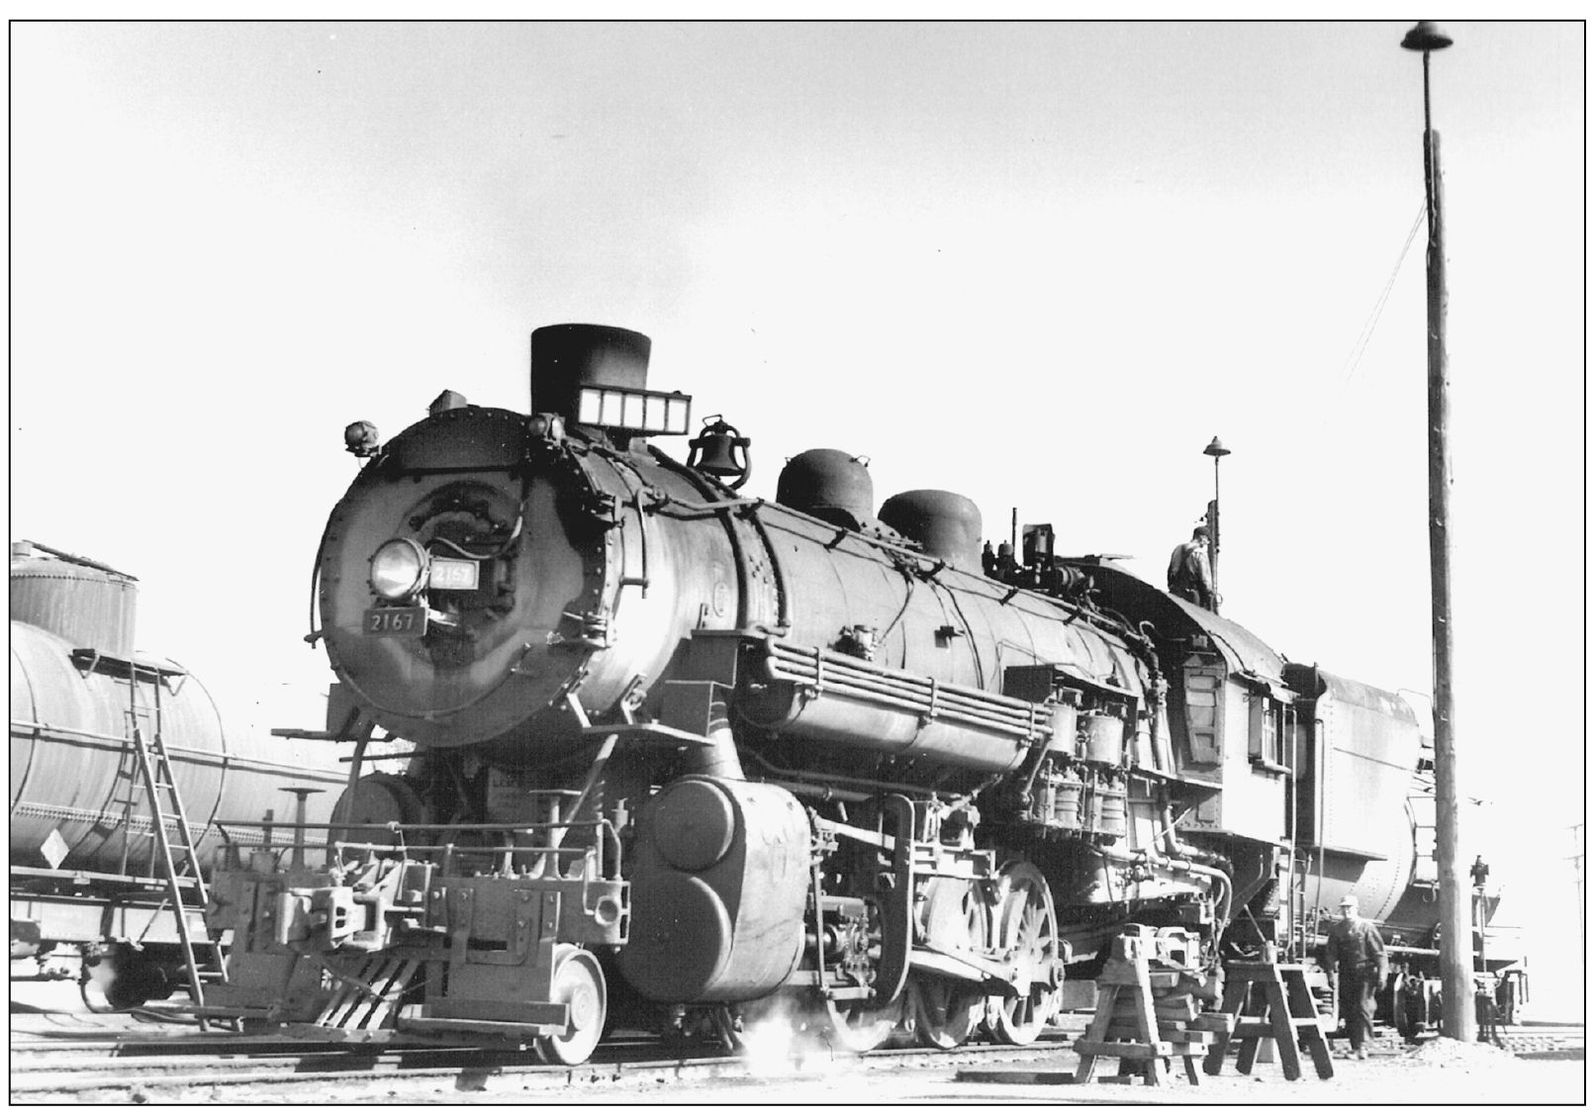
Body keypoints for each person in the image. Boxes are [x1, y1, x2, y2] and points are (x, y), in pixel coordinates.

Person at [1325, 895, 1388, 1059]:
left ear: (1356, 909)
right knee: (1348, 1009)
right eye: (1344, 908)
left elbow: (1380, 954)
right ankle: (1355, 1048)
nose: (1347, 911)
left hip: (1365, 973)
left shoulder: (1367, 928)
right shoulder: (1338, 930)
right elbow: (1331, 954)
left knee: (1362, 1007)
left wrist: (1382, 976)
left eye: (1349, 908)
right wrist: (1331, 973)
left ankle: (1364, 1046)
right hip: (1347, 973)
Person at [1167, 525, 1215, 609]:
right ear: (1202, 537)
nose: (1207, 543)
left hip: (1174, 593)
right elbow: (1205, 580)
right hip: (1191, 596)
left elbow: (1170, 571)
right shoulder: (1200, 553)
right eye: (1207, 540)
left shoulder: (1178, 549)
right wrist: (1209, 595)